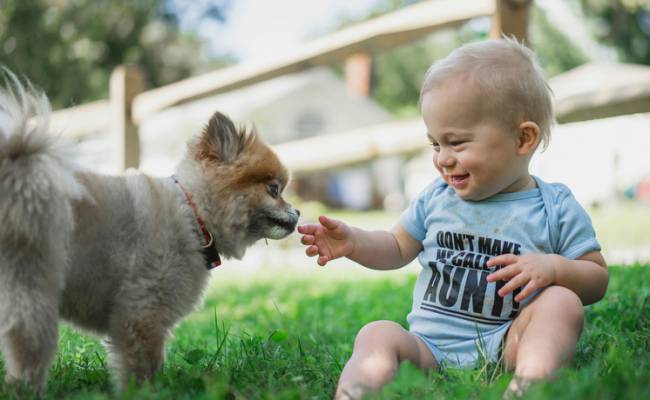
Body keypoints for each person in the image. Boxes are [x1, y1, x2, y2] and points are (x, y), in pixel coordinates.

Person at [297, 38, 608, 399]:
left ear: (523, 138)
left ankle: (529, 386)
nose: (443, 158)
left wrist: (554, 269)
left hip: (508, 343)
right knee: (376, 333)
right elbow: (397, 246)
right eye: (435, 144)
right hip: (428, 348)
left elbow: (596, 278)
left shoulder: (554, 205)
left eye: (457, 143)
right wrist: (355, 242)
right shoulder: (436, 197)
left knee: (562, 303)